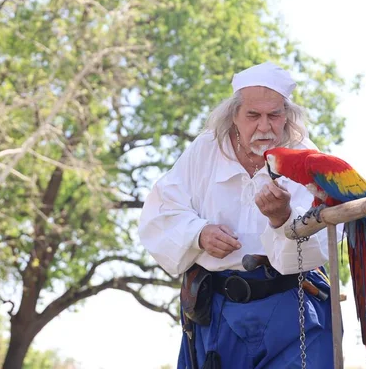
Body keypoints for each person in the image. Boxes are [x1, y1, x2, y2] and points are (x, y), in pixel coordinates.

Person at [138, 62, 344, 368]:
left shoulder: (305, 157)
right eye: (253, 115)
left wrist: (282, 219)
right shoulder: (205, 151)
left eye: (273, 115)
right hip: (220, 314)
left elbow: (324, 241)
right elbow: (159, 212)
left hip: (291, 309)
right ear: (234, 116)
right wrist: (199, 234)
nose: (264, 126)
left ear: (286, 115)